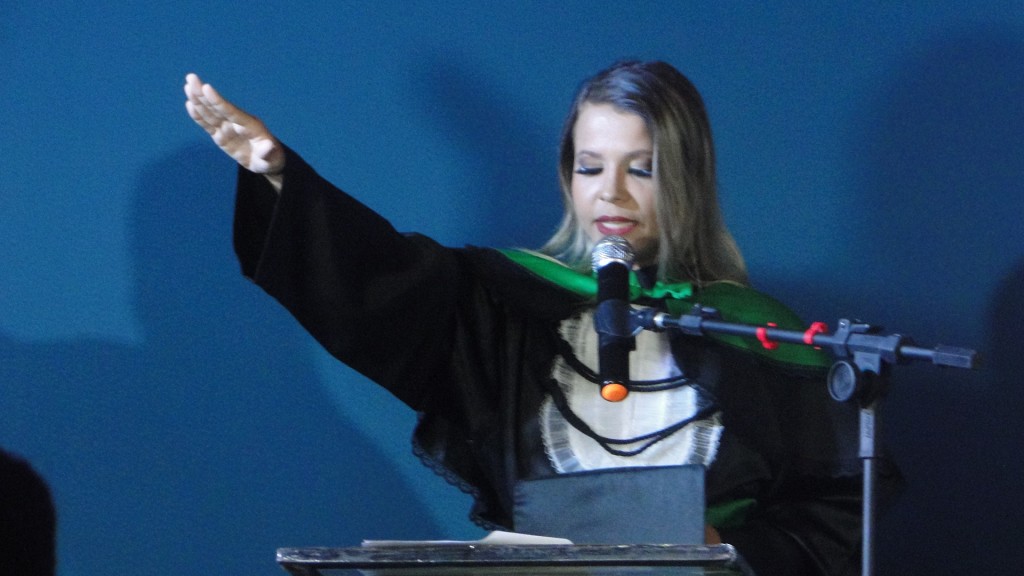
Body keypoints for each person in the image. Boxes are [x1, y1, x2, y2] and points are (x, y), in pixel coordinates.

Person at [184, 60, 877, 575]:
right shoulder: (506, 301)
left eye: (641, 169)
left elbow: (840, 505)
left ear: (686, 179)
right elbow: (375, 279)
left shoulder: (757, 331)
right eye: (590, 167)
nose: (611, 194)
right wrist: (279, 175)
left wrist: (725, 548)